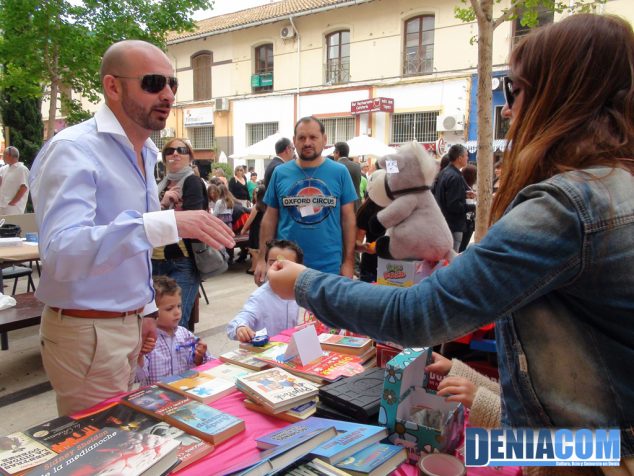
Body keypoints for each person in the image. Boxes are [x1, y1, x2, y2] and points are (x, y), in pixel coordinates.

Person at [268, 14, 634, 472]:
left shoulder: (569, 205)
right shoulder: (609, 188)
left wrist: (305, 283)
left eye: (514, 91)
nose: (506, 108)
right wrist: (474, 384)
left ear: (559, 95)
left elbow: (415, 314)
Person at [29, 40, 234, 416]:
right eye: (154, 82)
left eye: (173, 83)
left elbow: (127, 252)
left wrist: (144, 313)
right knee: (97, 450)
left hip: (121, 326)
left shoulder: (146, 152)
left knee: (123, 442)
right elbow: (61, 251)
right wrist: (165, 222)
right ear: (113, 86)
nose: (168, 93)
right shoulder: (75, 149)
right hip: (88, 331)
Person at [254, 116, 357, 284]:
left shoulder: (340, 172)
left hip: (329, 267)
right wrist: (261, 259)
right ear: (294, 141)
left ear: (324, 140)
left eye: (313, 137)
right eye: (301, 138)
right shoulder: (280, 173)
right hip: (285, 264)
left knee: (323, 311)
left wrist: (348, 262)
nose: (307, 142)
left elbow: (349, 220)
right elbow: (269, 219)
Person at [151, 139, 208, 329]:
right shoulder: (158, 186)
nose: (175, 154)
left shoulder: (193, 182)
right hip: (153, 260)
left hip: (181, 260)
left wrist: (162, 212)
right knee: (155, 320)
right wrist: (164, 204)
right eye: (170, 151)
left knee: (175, 323)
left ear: (189, 156)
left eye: (181, 150)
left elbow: (191, 224)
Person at [136, 276, 211, 386]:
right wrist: (139, 355)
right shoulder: (148, 339)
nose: (177, 312)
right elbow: (138, 378)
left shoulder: (185, 334)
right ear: (153, 312)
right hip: (158, 399)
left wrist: (199, 356)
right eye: (169, 309)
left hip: (185, 393)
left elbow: (206, 364)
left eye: (179, 306)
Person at [227, 240, 302, 342]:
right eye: (272, 264)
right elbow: (241, 319)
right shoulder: (259, 297)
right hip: (267, 352)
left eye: (287, 265)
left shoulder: (300, 292)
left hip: (292, 348)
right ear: (266, 264)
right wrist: (240, 328)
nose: (279, 269)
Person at [433, 144, 472, 252]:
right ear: (459, 158)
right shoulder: (454, 177)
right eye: (466, 156)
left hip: (444, 221)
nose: (467, 158)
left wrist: (464, 194)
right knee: (451, 256)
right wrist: (472, 207)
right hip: (453, 224)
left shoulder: (445, 172)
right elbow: (454, 205)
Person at [242, 185, 266, 275]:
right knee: (257, 249)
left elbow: (249, 220)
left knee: (253, 250)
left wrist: (243, 230)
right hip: (263, 229)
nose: (254, 195)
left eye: (256, 193)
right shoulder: (267, 205)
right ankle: (253, 267)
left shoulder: (257, 206)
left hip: (255, 230)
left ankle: (257, 267)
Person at [0, 146, 29, 215]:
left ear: (9, 156)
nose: (3, 157)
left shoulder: (22, 169)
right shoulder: (3, 169)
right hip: (1, 205)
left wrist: (13, 202)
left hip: (14, 208)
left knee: (12, 224)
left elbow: (24, 187)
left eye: (4, 155)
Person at [332, 141, 362, 210]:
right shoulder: (357, 166)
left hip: (341, 207)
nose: (333, 155)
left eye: (334, 152)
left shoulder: (335, 167)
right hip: (356, 205)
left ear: (337, 153)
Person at [459, 163, 477, 252]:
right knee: (462, 247)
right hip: (466, 221)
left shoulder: (466, 188)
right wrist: (474, 206)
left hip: (467, 221)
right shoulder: (464, 189)